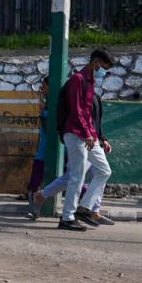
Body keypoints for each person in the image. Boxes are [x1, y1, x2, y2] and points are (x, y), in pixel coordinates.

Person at [54, 48, 115, 231]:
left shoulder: (90, 81)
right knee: (77, 176)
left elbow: (88, 114)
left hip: (88, 135)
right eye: (104, 67)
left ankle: (84, 208)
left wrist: (96, 137)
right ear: (96, 62)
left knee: (104, 170)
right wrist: (87, 133)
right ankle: (67, 218)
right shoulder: (78, 80)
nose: (104, 71)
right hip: (75, 133)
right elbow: (76, 110)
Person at [35, 89, 115, 226]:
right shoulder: (76, 94)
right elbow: (75, 119)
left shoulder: (94, 95)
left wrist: (102, 139)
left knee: (101, 173)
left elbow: (95, 121)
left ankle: (93, 210)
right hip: (80, 140)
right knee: (73, 177)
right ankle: (43, 195)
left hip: (94, 141)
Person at [25, 76, 50, 219]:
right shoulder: (46, 103)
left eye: (44, 86)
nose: (42, 89)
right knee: (36, 180)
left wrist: (43, 113)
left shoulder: (54, 104)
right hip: (44, 149)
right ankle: (34, 208)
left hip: (52, 150)